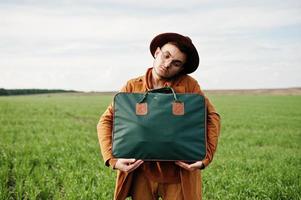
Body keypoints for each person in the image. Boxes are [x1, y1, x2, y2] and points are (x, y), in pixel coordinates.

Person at [97, 32, 221, 200]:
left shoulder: (189, 85)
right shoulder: (133, 86)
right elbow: (106, 120)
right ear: (157, 52)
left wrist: (205, 159)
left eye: (176, 63)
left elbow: (212, 117)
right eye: (166, 56)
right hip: (140, 172)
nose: (167, 64)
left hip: (179, 174)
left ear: (182, 68)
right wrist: (112, 159)